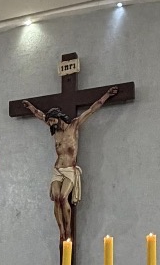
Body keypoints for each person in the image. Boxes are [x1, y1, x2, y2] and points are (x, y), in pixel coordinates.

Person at [20, 86, 119, 242]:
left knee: (63, 197)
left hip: (69, 169)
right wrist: (31, 107)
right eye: (50, 122)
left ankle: (68, 229)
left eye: (53, 120)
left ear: (59, 117)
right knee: (56, 198)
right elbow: (40, 115)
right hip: (57, 169)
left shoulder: (74, 126)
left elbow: (93, 109)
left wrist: (106, 95)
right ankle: (61, 231)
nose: (52, 124)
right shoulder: (56, 132)